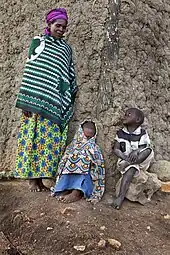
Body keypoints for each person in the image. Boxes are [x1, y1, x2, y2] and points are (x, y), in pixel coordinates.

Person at [14, 8, 77, 192]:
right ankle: (32, 180)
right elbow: (31, 70)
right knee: (33, 140)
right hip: (33, 103)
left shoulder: (66, 49)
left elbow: (66, 74)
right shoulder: (38, 42)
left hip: (54, 103)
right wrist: (26, 100)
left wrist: (70, 91)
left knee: (48, 143)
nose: (61, 29)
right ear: (49, 25)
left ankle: (41, 179)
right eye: (58, 25)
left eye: (64, 27)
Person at [51, 121, 105, 203]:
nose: (86, 139)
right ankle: (65, 188)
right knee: (71, 161)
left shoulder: (94, 148)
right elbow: (63, 160)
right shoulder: (72, 145)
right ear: (80, 132)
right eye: (84, 136)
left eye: (89, 137)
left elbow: (98, 165)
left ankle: (77, 192)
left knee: (83, 162)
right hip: (68, 172)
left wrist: (86, 161)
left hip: (86, 174)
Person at [112, 108, 154, 209]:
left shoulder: (142, 133)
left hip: (141, 160)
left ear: (138, 119)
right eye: (125, 114)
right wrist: (125, 157)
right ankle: (121, 197)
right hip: (125, 161)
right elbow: (116, 149)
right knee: (130, 170)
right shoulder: (120, 133)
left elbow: (146, 147)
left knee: (149, 150)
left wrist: (137, 151)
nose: (125, 116)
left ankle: (130, 163)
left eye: (129, 114)